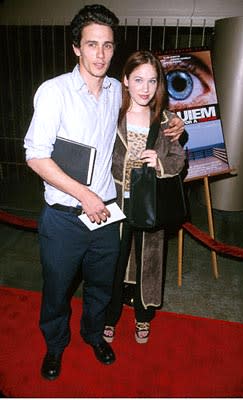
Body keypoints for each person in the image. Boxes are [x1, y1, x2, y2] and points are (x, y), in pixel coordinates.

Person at [24, 4, 184, 380]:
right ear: (76, 47)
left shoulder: (117, 90)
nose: (100, 54)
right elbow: (35, 156)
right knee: (58, 289)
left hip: (108, 214)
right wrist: (85, 194)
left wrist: (174, 122)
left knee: (101, 284)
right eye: (92, 44)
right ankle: (55, 346)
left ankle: (95, 335)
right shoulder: (54, 93)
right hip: (65, 216)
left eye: (108, 46)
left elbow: (148, 109)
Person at [103, 50, 186, 344]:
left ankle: (143, 315)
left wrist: (160, 164)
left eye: (152, 81)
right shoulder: (111, 114)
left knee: (149, 261)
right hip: (114, 201)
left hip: (151, 201)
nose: (145, 88)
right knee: (113, 260)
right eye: (138, 79)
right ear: (125, 80)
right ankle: (109, 315)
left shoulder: (165, 120)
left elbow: (179, 159)